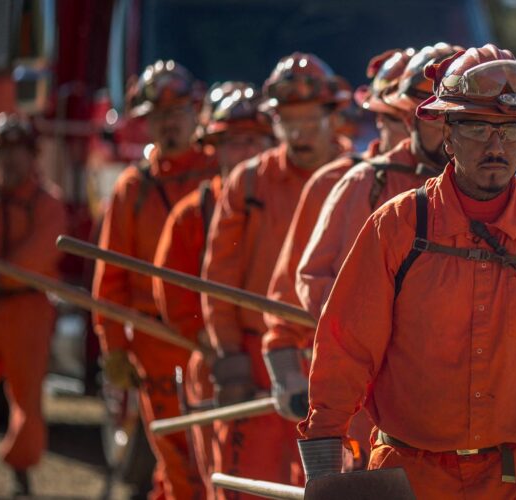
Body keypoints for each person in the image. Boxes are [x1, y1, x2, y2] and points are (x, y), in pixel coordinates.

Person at [296, 44, 516, 499]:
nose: (496, 146)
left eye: (510, 130)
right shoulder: (398, 226)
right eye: (477, 128)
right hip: (410, 477)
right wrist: (324, 457)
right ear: (446, 135)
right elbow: (345, 348)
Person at [200, 52, 351, 493]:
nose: (299, 134)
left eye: (310, 121)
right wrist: (229, 357)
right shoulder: (248, 184)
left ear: (332, 117)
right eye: (289, 122)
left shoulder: (364, 179)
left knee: (326, 487)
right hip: (257, 360)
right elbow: (218, 279)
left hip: (336, 363)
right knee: (247, 484)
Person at [259, 48, 415, 459]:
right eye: (402, 121)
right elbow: (292, 287)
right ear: (378, 119)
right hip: (348, 392)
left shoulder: (464, 196)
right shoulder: (339, 183)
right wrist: (286, 372)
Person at [92, 60, 216, 499]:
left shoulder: (220, 175)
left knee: (211, 455)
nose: (169, 124)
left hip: (211, 338)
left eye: (177, 112)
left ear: (195, 112)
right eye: (158, 116)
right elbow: (111, 278)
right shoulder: (133, 188)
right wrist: (114, 347)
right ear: (145, 124)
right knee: (175, 454)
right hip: (154, 341)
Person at [152, 83, 275, 499]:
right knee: (223, 480)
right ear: (216, 149)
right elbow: (172, 290)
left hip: (280, 362)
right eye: (234, 143)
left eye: (253, 141)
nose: (245, 153)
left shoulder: (291, 201)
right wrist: (212, 343)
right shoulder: (193, 213)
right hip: (218, 365)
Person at [295, 43, 462, 319]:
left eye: (464, 122)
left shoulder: (489, 194)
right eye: (437, 121)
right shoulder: (363, 184)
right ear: (411, 119)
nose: (451, 136)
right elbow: (312, 280)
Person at [0, 113, 67, 496]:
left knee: (27, 398)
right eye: (3, 152)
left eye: (17, 152)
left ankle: (21, 471)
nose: (10, 161)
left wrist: (2, 274)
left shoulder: (48, 203)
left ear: (32, 155)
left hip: (28, 309)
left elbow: (40, 255)